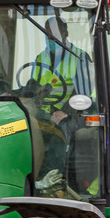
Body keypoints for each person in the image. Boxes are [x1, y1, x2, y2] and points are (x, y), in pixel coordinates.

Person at [28, 17, 94, 196]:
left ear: (65, 34)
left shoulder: (80, 57)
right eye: (48, 35)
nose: (51, 39)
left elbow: (85, 91)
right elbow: (35, 85)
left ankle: (57, 184)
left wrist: (64, 111)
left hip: (74, 111)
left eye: (55, 35)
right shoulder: (40, 58)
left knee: (58, 135)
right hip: (45, 111)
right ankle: (33, 180)